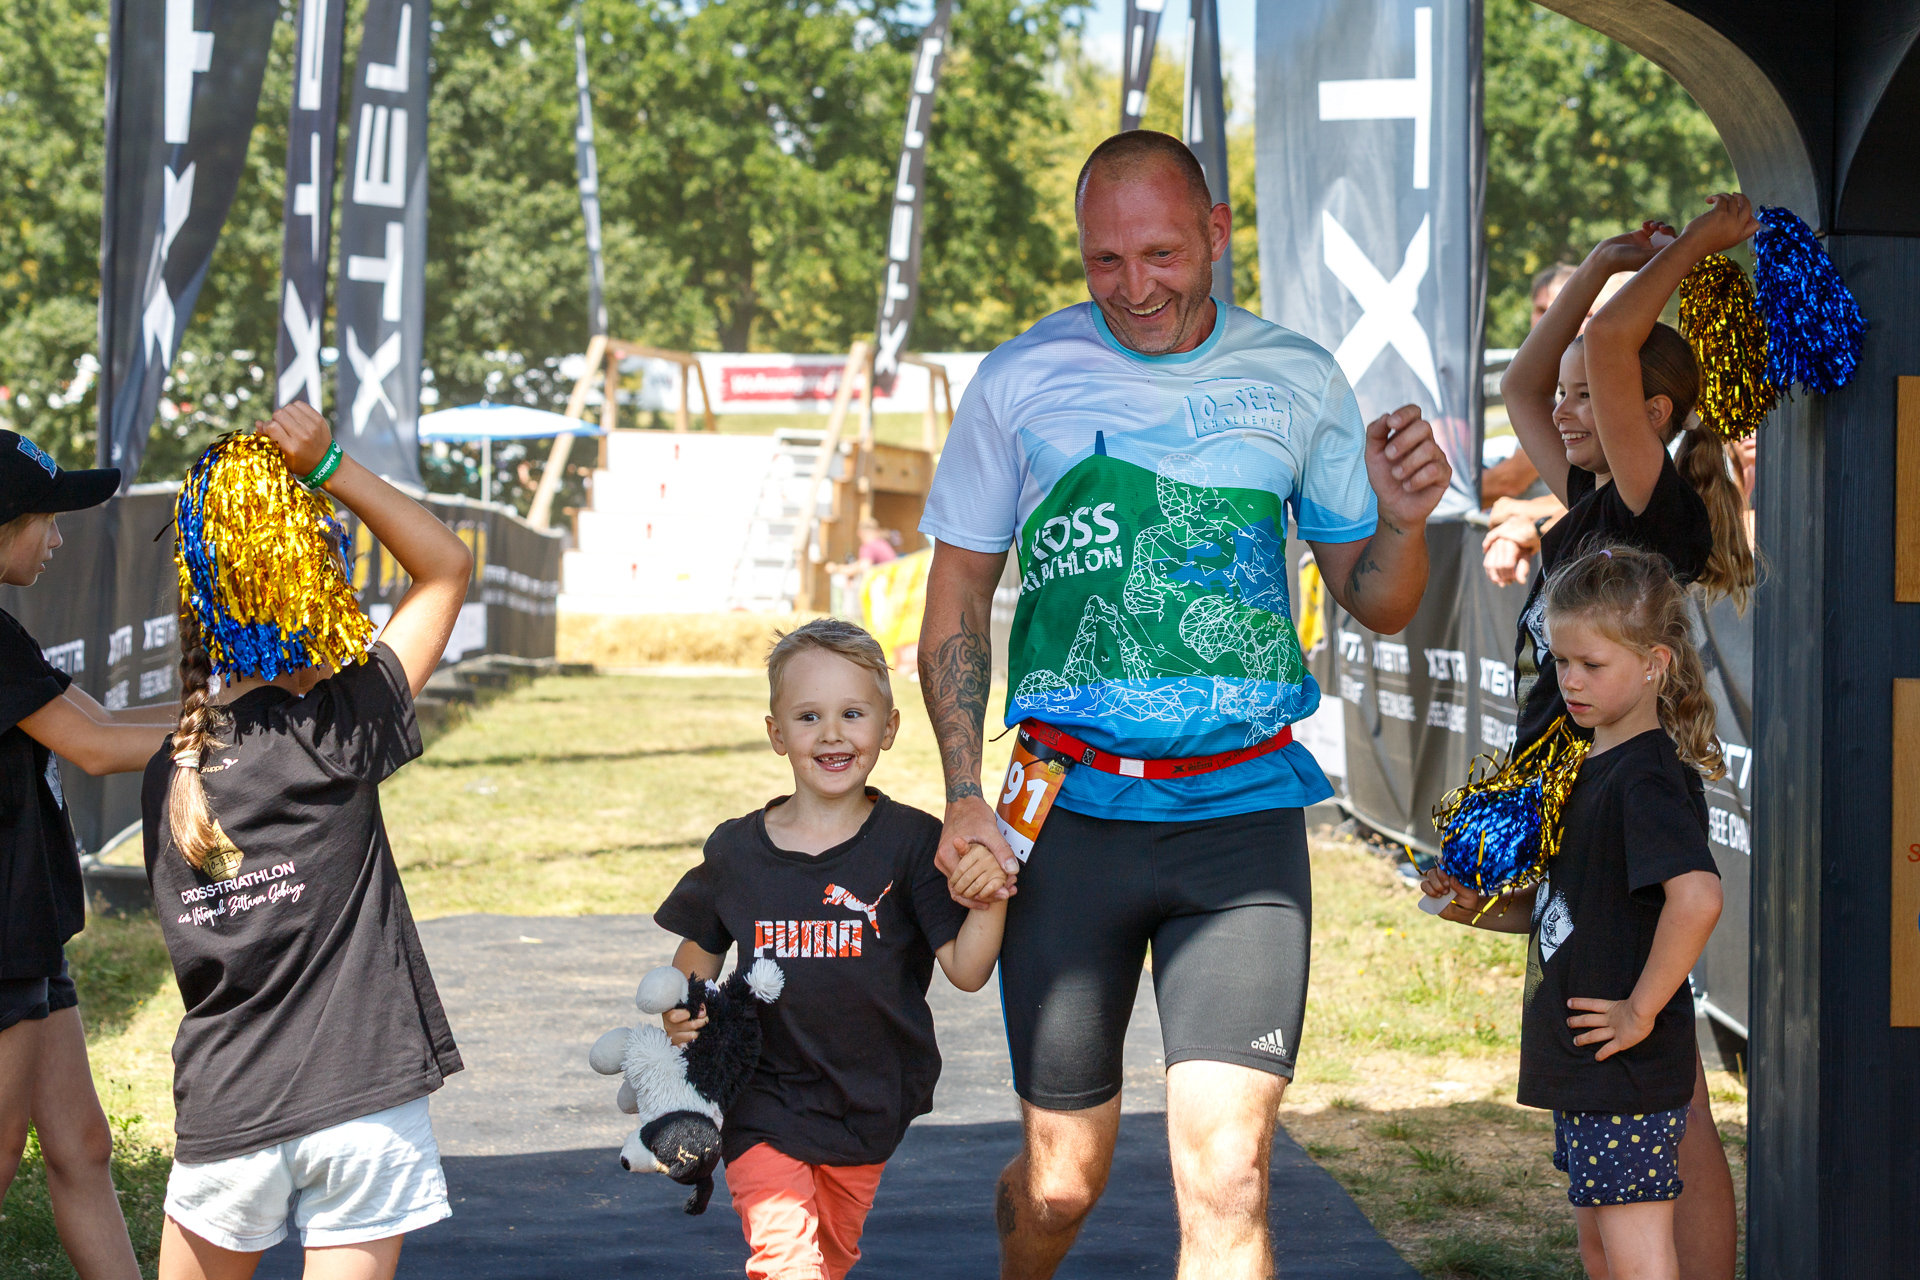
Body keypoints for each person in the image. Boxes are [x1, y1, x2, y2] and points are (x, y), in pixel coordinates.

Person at [915, 130, 1451, 1280]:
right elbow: (957, 589)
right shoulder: (1019, 378)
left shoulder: (1298, 377)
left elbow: (1379, 600)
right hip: (1065, 815)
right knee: (1061, 1183)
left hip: (1240, 818)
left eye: (1160, 253)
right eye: (1104, 260)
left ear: (1216, 232)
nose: (1134, 287)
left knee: (1229, 1173)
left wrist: (1404, 522)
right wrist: (962, 792)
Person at [141, 402, 472, 1278]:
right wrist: (330, 466)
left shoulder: (172, 768)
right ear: (311, 574)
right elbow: (444, 567)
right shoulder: (339, 729)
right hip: (362, 1100)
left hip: (226, 1109)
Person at [1496, 197, 1759, 1279]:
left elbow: (1611, 338)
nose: (1561, 407)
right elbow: (1522, 385)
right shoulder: (1590, 496)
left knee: (1668, 1091)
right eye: (1568, 397)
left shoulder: (1649, 508)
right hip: (1576, 804)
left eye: (1585, 397)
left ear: (1647, 412)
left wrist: (1691, 249)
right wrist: (1602, 259)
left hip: (1616, 804)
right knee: (1636, 1090)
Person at [653, 619, 1006, 1280]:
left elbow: (968, 969)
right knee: (785, 1259)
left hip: (868, 1098)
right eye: (809, 716)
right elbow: (698, 950)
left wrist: (992, 893)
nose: (832, 734)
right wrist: (684, 1011)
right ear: (777, 734)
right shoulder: (736, 850)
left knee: (831, 1257)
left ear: (889, 727)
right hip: (763, 1096)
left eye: (853, 713)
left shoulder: (912, 843)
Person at [1420, 544, 1724, 1280]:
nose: (1571, 681)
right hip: (1589, 1068)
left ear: (1654, 663)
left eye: (1592, 664)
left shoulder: (1645, 777)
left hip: (1625, 1069)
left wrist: (1640, 1011)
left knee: (1636, 1253)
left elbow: (1699, 897)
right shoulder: (1589, 766)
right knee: (1601, 1249)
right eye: (1560, 662)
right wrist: (1477, 908)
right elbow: (1568, 907)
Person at [0, 431, 174, 1279]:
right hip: (3, 945)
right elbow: (96, 749)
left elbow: (102, 720)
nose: (60, 539)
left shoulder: (6, 635)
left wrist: (238, 714)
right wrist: (260, 740)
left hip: (30, 934)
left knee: (82, 1145)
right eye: (48, 520)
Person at [1481, 263, 1580, 508]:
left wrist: (1450, 496)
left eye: (1556, 309)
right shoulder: (1544, 371)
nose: (1545, 319)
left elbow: (1510, 480)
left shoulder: (1577, 378)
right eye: (1540, 309)